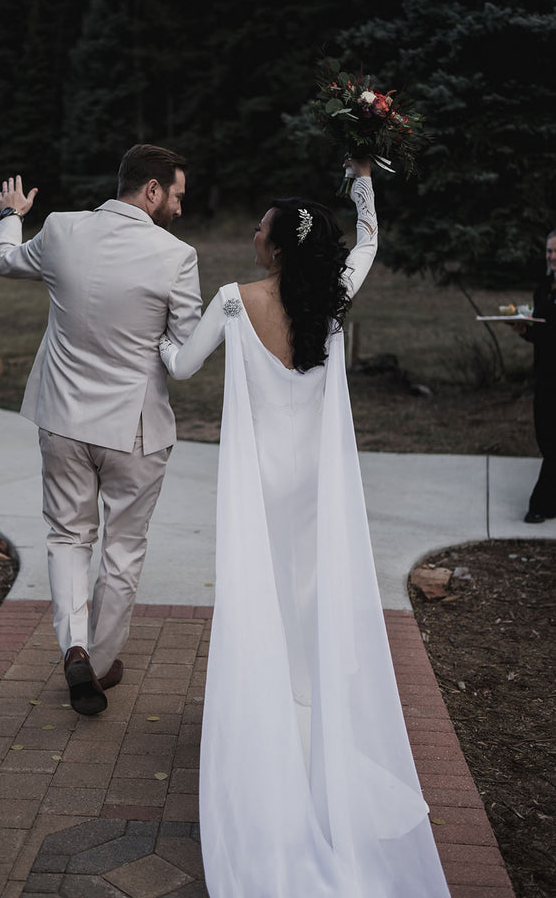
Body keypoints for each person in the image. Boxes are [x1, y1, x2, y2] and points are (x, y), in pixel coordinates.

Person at [159, 159, 452, 898]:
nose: (252, 233)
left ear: (277, 246)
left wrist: (157, 335)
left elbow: (182, 367)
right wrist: (362, 181)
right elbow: (368, 243)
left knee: (261, 600)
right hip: (313, 490)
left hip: (258, 487)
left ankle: (270, 740)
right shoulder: (331, 296)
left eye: (260, 226)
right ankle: (305, 728)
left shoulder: (230, 299)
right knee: (302, 597)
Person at [0, 144, 202, 715]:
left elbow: (5, 262)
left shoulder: (60, 229)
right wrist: (151, 341)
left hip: (62, 419)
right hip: (134, 429)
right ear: (152, 191)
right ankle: (101, 663)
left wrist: (12, 215)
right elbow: (186, 349)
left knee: (67, 537)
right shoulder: (177, 257)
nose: (181, 208)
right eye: (177, 195)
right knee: (124, 547)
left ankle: (75, 648)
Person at [512, 229, 556, 523]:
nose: (552, 257)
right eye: (549, 252)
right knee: (544, 436)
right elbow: (542, 334)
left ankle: (540, 505)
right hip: (545, 374)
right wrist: (524, 331)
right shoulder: (543, 290)